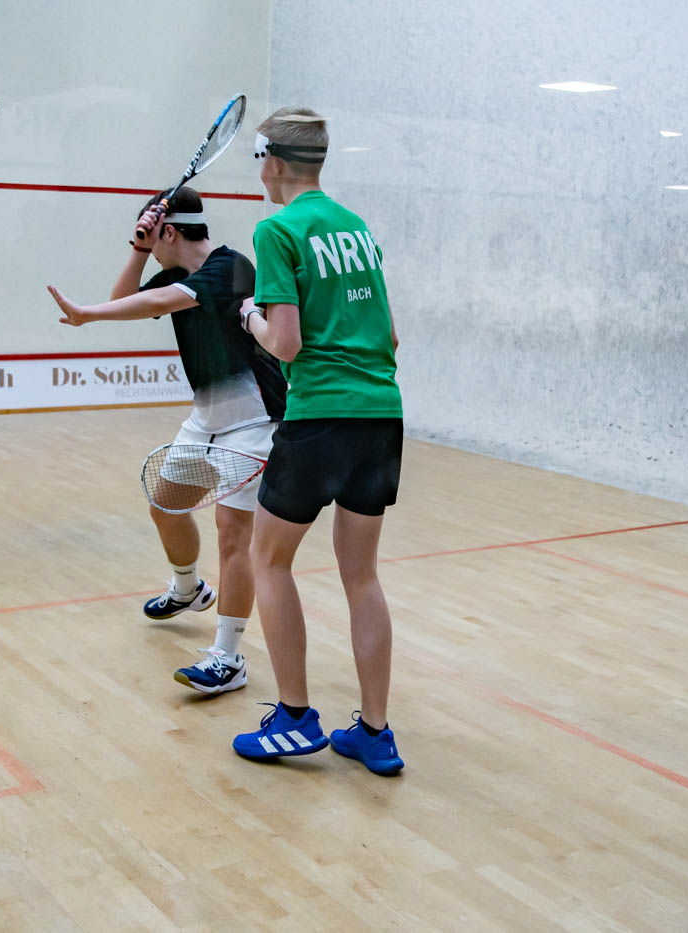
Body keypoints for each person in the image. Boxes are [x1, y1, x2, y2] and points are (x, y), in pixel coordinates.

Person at [46, 187, 286, 694]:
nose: (149, 249)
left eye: (152, 239)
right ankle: (187, 588)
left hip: (255, 422)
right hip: (206, 419)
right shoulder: (178, 273)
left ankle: (227, 658)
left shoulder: (231, 267)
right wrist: (138, 248)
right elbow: (125, 301)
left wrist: (87, 314)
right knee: (166, 505)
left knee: (232, 535)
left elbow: (156, 302)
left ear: (170, 232)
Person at [230, 107, 406, 774]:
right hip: (380, 416)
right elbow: (390, 337)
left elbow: (285, 343)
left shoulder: (277, 230)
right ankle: (375, 732)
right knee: (361, 574)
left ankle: (296, 718)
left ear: (272, 163)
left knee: (267, 558)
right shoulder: (356, 228)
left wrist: (249, 316)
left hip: (319, 418)